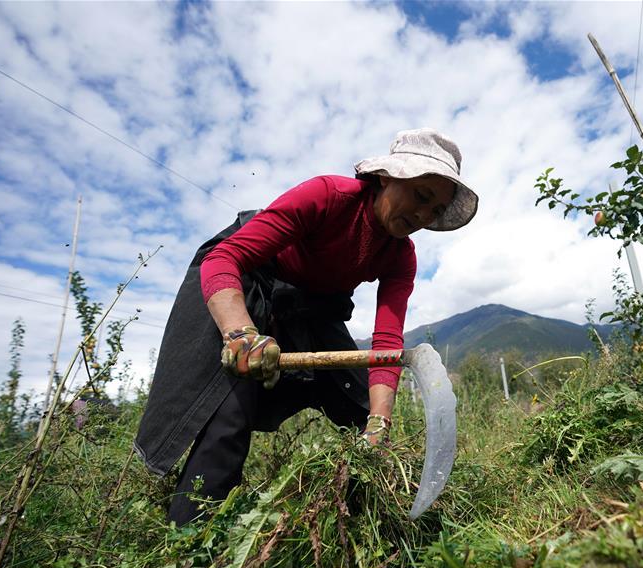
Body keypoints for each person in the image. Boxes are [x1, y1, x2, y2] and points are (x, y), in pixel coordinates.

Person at [133, 128, 478, 525]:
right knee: (230, 408)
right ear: (387, 176)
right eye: (420, 195)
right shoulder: (327, 196)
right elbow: (225, 258)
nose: (422, 216)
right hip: (249, 283)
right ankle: (188, 538)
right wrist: (242, 335)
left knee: (361, 406)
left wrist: (379, 422)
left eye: (434, 210)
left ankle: (371, 513)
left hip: (313, 306)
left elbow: (386, 342)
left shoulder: (401, 256)